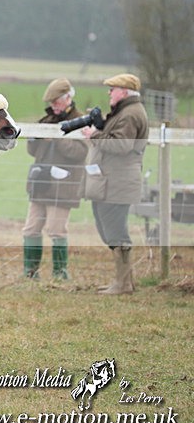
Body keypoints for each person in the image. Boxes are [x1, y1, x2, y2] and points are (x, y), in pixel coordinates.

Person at [82, 73, 149, 295]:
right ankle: (125, 282)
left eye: (113, 89)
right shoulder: (125, 112)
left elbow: (121, 146)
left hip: (117, 182)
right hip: (111, 182)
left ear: (124, 91)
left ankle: (122, 284)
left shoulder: (130, 114)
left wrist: (94, 135)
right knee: (109, 231)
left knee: (116, 232)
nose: (109, 93)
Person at [23, 78, 88, 280]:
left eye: (56, 102)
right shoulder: (46, 120)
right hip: (41, 183)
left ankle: (60, 274)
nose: (53, 106)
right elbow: (32, 150)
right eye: (51, 103)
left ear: (68, 98)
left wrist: (57, 139)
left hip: (63, 186)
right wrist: (36, 138)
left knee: (56, 230)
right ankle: (30, 273)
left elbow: (80, 152)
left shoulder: (80, 120)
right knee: (31, 228)